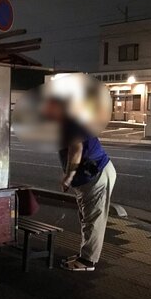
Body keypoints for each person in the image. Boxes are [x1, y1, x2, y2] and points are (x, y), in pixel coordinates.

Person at [56, 104, 116, 272]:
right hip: (91, 174)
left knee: (93, 218)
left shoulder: (69, 121)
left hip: (95, 174)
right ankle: (84, 254)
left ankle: (88, 261)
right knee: (86, 216)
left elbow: (76, 148)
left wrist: (69, 176)